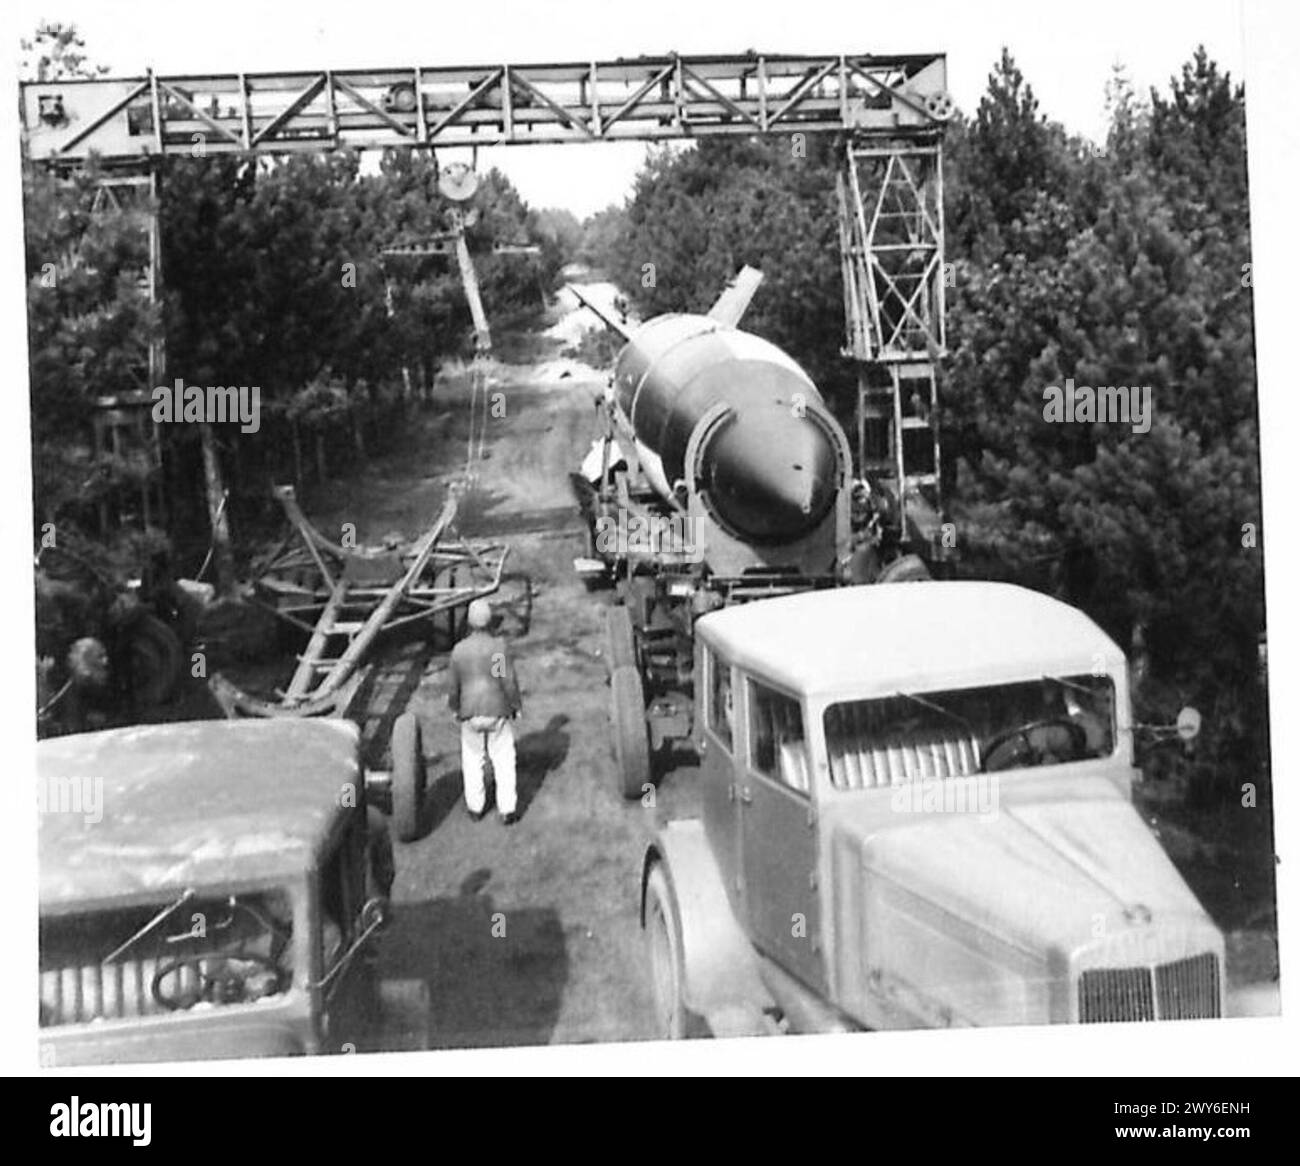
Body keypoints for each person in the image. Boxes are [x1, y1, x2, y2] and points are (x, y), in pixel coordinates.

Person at [448, 598, 523, 825]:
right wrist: (515, 705)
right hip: (496, 709)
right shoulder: (497, 649)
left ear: (469, 622)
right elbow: (506, 680)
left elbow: (454, 687)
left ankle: (475, 807)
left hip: (470, 713)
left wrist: (455, 708)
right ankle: (507, 809)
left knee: (472, 760)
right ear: (490, 621)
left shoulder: (459, 651)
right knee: (503, 759)